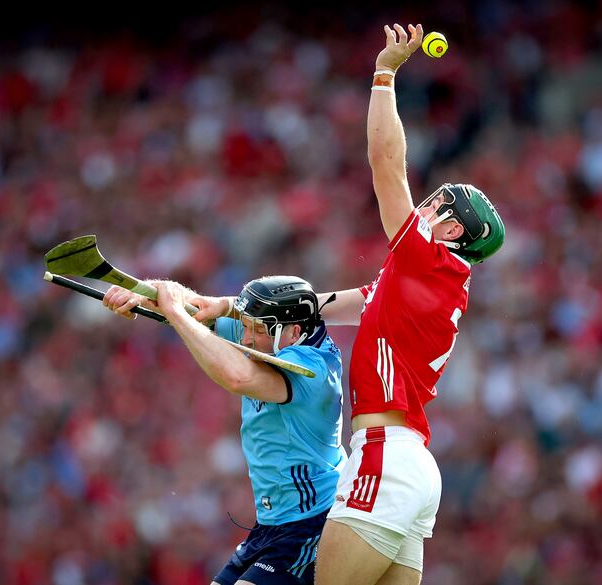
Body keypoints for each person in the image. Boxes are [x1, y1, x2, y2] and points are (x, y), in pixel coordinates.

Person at [311, 23, 506, 585]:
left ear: (450, 231)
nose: (424, 204)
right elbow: (330, 305)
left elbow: (384, 163)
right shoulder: (422, 282)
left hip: (382, 454)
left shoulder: (431, 262)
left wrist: (384, 75)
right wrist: (218, 308)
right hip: (412, 465)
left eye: (438, 203)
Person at [102, 275, 346, 585]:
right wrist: (143, 293)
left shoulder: (314, 369)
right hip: (271, 525)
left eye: (256, 330)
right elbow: (197, 312)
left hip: (310, 523)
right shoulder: (270, 335)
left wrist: (175, 312)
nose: (244, 339)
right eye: (245, 326)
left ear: (294, 331)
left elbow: (237, 377)